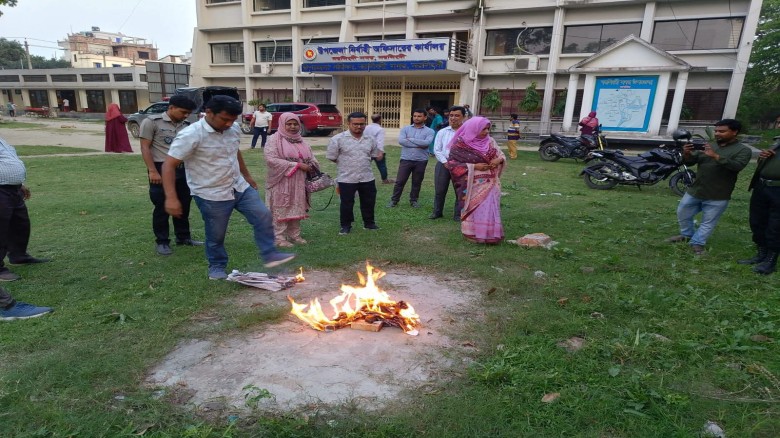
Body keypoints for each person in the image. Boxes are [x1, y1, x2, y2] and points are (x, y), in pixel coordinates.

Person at [162, 95, 295, 280]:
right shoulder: (190, 135)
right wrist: (171, 197)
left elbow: (234, 151)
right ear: (208, 113)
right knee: (216, 234)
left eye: (232, 120)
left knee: (263, 215)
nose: (229, 123)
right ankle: (216, 266)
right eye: (224, 119)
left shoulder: (232, 128)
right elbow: (168, 165)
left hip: (238, 186)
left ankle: (270, 254)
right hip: (210, 192)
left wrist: (247, 176)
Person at [666, 119, 752, 255]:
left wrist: (716, 156)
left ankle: (697, 243)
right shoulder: (710, 145)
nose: (717, 134)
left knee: (708, 222)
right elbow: (691, 161)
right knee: (683, 213)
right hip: (696, 190)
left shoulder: (743, 150)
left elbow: (737, 166)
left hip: (718, 194)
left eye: (722, 131)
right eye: (716, 131)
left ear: (735, 132)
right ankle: (686, 235)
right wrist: (687, 154)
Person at [140, 95, 202, 256]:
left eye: (189, 113)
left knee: (183, 204)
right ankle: (162, 241)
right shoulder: (152, 122)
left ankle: (183, 237)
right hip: (160, 168)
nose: (186, 115)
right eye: (183, 112)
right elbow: (145, 148)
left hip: (183, 168)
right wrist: (152, 170)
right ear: (171, 107)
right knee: (162, 206)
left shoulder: (187, 125)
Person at [447, 116, 506, 244]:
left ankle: (490, 234)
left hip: (491, 182)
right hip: (471, 183)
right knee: (475, 208)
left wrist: (499, 160)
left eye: (488, 129)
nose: (486, 132)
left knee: (490, 207)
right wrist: (474, 166)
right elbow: (452, 164)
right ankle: (472, 234)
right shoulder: (460, 145)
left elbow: (500, 155)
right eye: (483, 129)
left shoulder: (490, 141)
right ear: (473, 129)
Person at [0, 136, 51, 282]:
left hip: (13, 189)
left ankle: (19, 256)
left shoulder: (2, 141)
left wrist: (20, 184)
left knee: (20, 224)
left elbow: (9, 162)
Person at [264, 112, 318, 247]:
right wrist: (297, 164)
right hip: (281, 180)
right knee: (281, 207)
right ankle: (279, 237)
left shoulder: (301, 140)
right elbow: (271, 159)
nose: (293, 127)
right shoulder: (274, 139)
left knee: (296, 206)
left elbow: (311, 157)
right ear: (282, 124)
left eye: (295, 124)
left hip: (299, 181)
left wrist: (312, 164)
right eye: (289, 124)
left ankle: (294, 235)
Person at [326, 111, 382, 235]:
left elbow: (372, 155)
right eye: (355, 124)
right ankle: (345, 226)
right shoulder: (338, 139)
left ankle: (369, 223)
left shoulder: (371, 139)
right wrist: (346, 164)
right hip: (346, 177)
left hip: (367, 176)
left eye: (362, 124)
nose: (359, 127)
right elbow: (332, 156)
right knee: (346, 203)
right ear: (348, 124)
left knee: (368, 202)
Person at [739, 139, 780, 274]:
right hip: (762, 186)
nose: (779, 125)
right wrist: (762, 158)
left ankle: (770, 260)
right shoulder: (777, 142)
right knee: (757, 221)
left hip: (778, 190)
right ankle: (761, 254)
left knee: (775, 225)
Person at [388, 109, 435, 209]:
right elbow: (401, 141)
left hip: (421, 160)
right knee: (400, 181)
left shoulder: (430, 131)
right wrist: (419, 144)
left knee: (417, 182)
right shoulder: (405, 129)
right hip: (406, 159)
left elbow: (427, 143)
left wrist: (411, 139)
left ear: (425, 117)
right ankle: (394, 200)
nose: (416, 118)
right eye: (414, 116)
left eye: (419, 116)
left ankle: (414, 200)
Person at [430, 105, 466, 221]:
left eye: (457, 115)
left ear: (463, 117)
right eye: (451, 115)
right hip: (443, 164)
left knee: (460, 191)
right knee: (440, 190)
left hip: (460, 165)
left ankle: (458, 214)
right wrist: (445, 162)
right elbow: (437, 149)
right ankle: (437, 212)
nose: (453, 118)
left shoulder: (467, 133)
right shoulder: (442, 132)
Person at [363, 113, 393, 184]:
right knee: (382, 166)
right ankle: (385, 180)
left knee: (364, 165)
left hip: (367, 149)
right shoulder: (380, 129)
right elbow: (380, 141)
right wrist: (381, 151)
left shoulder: (366, 127)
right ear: (380, 120)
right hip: (376, 150)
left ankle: (362, 178)